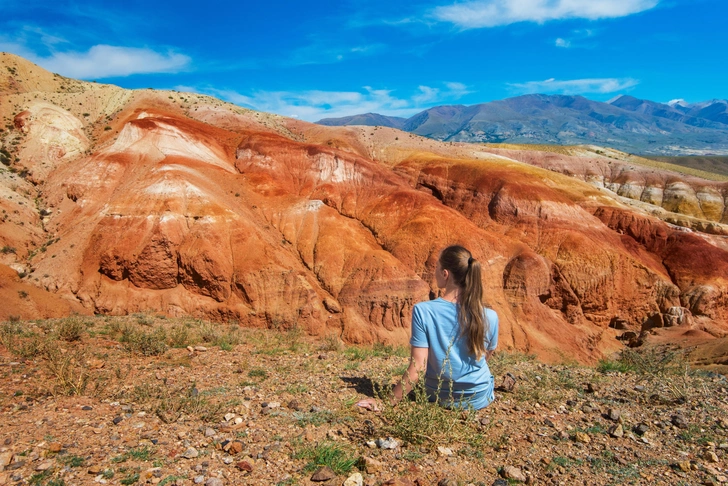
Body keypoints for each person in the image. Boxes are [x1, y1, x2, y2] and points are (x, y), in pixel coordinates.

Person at [359, 245, 499, 411]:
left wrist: (387, 402)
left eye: (437, 268)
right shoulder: (490, 315)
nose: (435, 272)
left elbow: (418, 366)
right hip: (479, 395)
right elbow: (486, 355)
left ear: (445, 274)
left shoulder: (424, 311)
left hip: (439, 394)